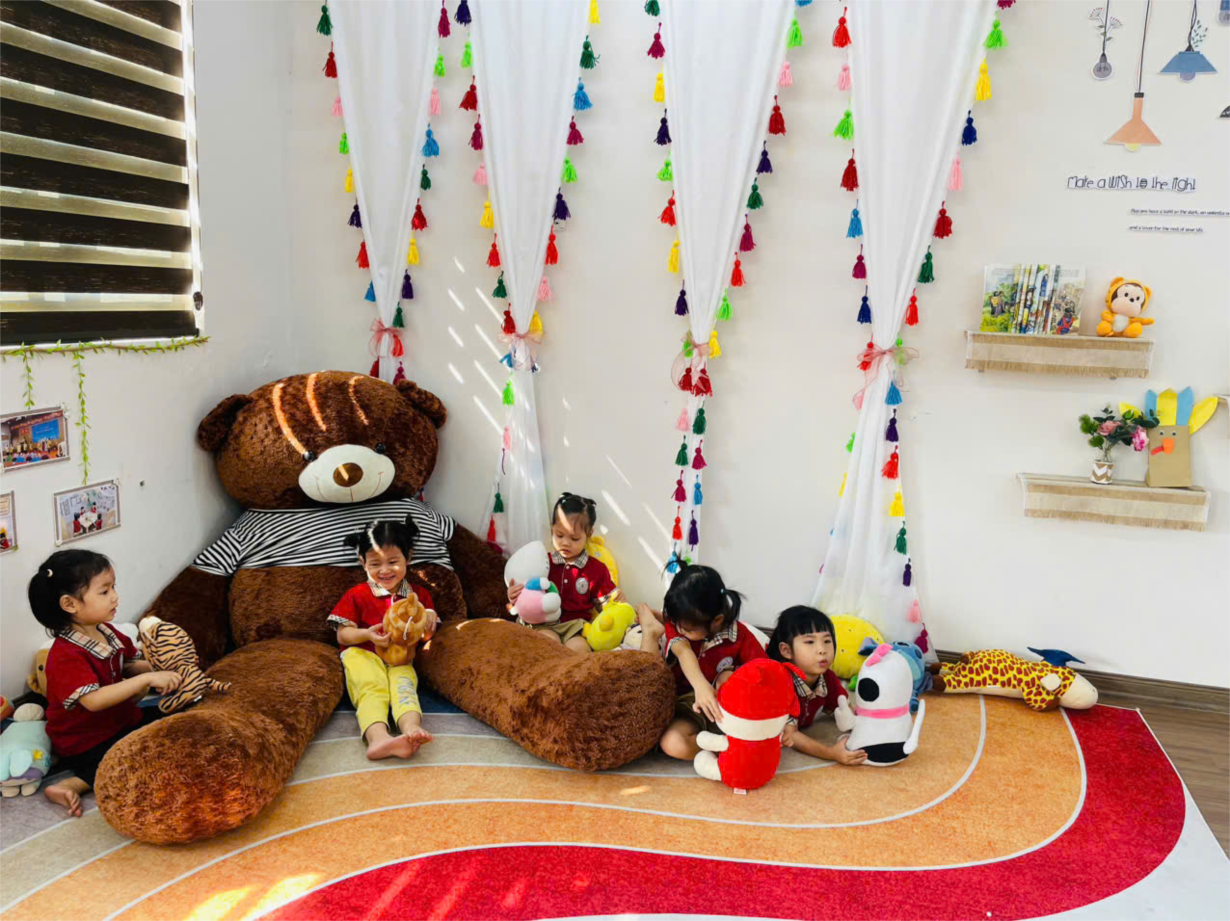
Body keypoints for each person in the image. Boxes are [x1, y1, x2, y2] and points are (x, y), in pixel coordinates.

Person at [29, 550, 183, 817]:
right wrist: (147, 679)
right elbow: (93, 700)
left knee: (172, 719)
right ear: (70, 604)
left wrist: (162, 666)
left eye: (113, 587)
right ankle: (71, 784)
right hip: (85, 738)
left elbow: (129, 665)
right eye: (104, 591)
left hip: (120, 718)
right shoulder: (66, 655)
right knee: (127, 759)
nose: (115, 596)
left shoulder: (107, 631)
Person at [328, 516, 439, 760]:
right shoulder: (357, 594)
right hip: (363, 652)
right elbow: (342, 634)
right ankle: (378, 738)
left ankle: (411, 729)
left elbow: (425, 638)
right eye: (375, 564)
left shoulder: (419, 597)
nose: (385, 570)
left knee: (405, 688)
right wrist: (366, 634)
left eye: (393, 562)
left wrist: (428, 622)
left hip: (401, 658)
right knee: (371, 688)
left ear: (408, 558)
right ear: (363, 563)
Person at [638, 564, 766, 760]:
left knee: (674, 743)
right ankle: (728, 750)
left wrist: (733, 674)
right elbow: (683, 652)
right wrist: (700, 686)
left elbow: (764, 670)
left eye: (688, 629)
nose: (680, 630)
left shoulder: (740, 636)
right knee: (669, 739)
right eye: (675, 623)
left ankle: (735, 747)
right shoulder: (677, 624)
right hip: (677, 701)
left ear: (717, 621)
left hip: (714, 710)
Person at [506, 493, 622, 654]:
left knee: (580, 650)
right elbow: (526, 597)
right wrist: (514, 596)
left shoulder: (596, 569)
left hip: (575, 626)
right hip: (543, 623)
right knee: (548, 644)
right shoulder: (541, 562)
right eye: (559, 535)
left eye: (574, 539)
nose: (565, 543)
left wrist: (616, 604)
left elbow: (607, 604)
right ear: (552, 529)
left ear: (588, 534)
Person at [767, 605, 867, 765]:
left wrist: (871, 725)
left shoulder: (828, 678)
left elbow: (845, 709)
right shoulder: (780, 682)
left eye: (827, 641)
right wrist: (831, 753)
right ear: (787, 651)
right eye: (809, 642)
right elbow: (790, 734)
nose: (822, 650)